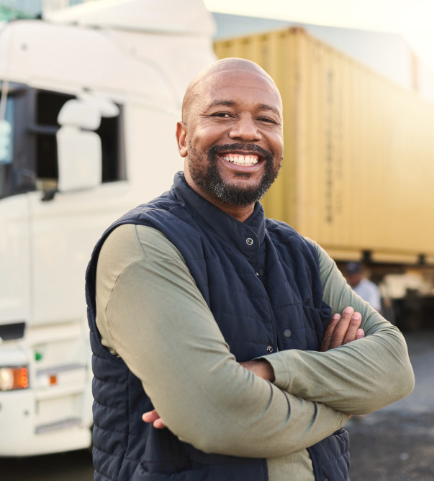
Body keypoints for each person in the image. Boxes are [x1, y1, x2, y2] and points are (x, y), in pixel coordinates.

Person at [84, 58, 414, 481]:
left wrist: (271, 372)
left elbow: (394, 367)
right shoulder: (143, 245)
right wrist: (345, 399)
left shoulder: (302, 255)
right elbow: (215, 413)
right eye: (222, 114)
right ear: (183, 138)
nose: (246, 131)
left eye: (266, 119)